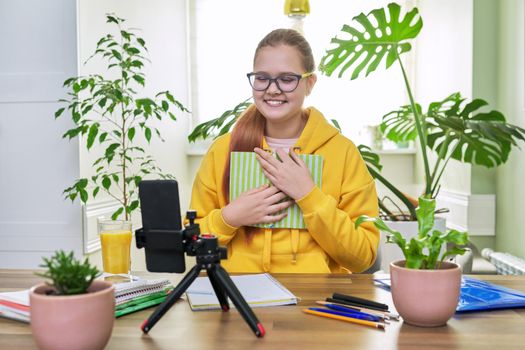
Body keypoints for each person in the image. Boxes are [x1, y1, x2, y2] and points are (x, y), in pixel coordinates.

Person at [189, 28, 379, 273]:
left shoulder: (342, 152)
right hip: (235, 295)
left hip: (314, 301)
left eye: (287, 79)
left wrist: (309, 196)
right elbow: (191, 246)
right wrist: (229, 218)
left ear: (309, 83)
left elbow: (362, 257)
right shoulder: (222, 150)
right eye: (262, 77)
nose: (272, 89)